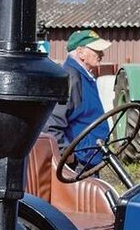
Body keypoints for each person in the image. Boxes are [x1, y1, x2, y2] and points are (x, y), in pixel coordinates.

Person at [45, 28, 112, 168]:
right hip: (80, 161)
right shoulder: (71, 78)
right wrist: (68, 155)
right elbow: (51, 123)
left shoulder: (84, 76)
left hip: (90, 156)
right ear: (81, 52)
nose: (102, 54)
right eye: (97, 51)